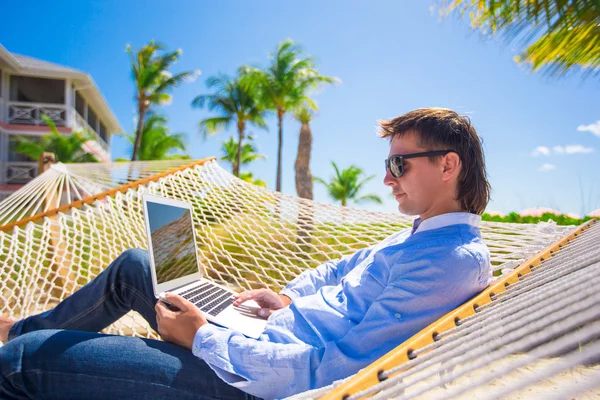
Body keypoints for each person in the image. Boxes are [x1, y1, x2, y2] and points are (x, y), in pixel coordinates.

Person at [0, 108, 492, 400]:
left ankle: (16, 341)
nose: (387, 178)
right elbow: (338, 270)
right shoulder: (420, 235)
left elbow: (335, 371)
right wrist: (284, 297)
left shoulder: (449, 261)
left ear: (448, 165)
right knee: (135, 265)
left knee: (20, 363)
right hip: (262, 334)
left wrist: (201, 339)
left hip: (248, 381)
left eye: (398, 164)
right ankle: (17, 328)